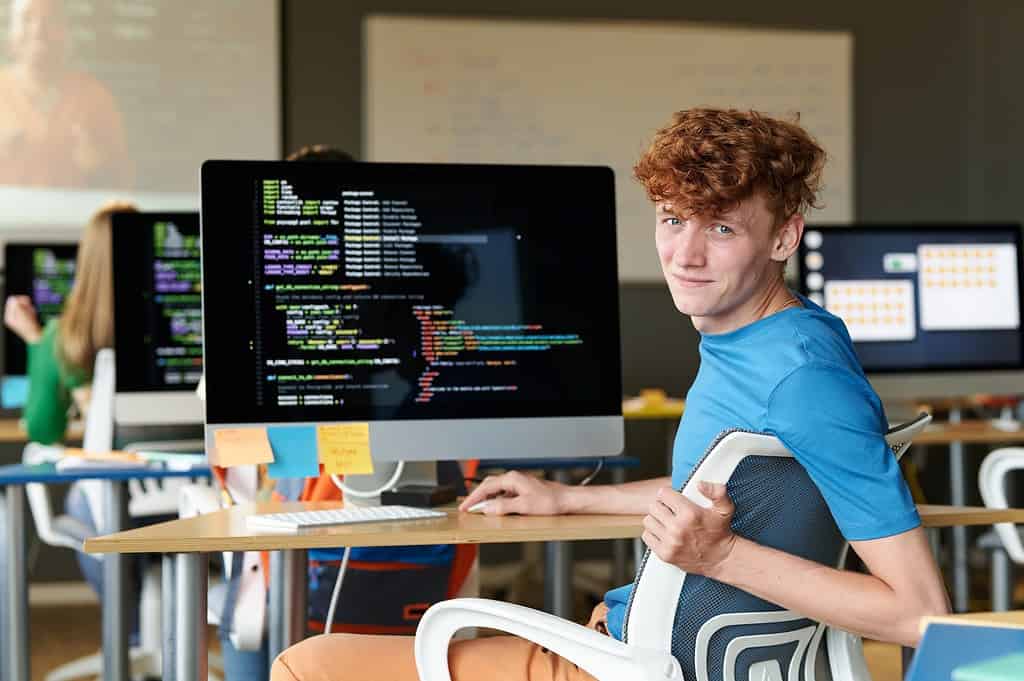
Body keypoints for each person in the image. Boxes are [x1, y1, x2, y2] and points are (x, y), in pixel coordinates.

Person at [269, 108, 950, 681]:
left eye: (720, 228)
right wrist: (569, 497)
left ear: (783, 236)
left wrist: (722, 556)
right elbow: (717, 484)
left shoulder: (802, 378)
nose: (685, 255)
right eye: (672, 219)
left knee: (305, 664)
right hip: (641, 643)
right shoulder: (768, 340)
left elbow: (920, 610)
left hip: (633, 665)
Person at [215, 144, 477, 681]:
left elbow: (232, 461)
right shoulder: (431, 316)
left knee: (245, 612)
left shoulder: (273, 325)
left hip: (298, 575)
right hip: (433, 580)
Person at [3, 200, 140, 622]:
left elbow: (44, 430)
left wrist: (35, 344)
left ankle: (130, 635)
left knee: (86, 501)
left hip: (112, 499)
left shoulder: (61, 337)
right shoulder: (181, 324)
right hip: (193, 488)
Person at [0, 0, 132, 189]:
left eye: (50, 19)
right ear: (11, 31)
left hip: (74, 218)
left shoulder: (95, 98)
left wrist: (97, 168)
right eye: (27, 18)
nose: (38, 30)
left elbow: (123, 187)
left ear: (66, 31)